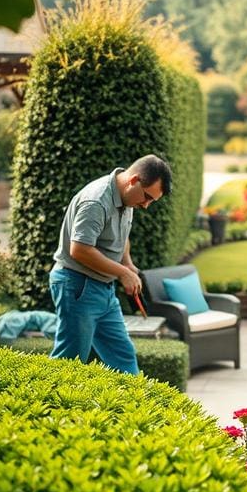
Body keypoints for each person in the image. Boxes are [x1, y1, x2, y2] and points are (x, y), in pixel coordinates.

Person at [48, 154, 172, 373]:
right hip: (77, 285)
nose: (146, 205)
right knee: (69, 362)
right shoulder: (96, 201)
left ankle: (133, 406)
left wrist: (128, 263)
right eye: (147, 198)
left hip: (103, 289)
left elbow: (121, 236)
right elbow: (80, 249)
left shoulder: (128, 199)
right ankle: (41, 406)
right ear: (134, 180)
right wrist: (123, 273)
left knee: (123, 356)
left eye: (152, 201)